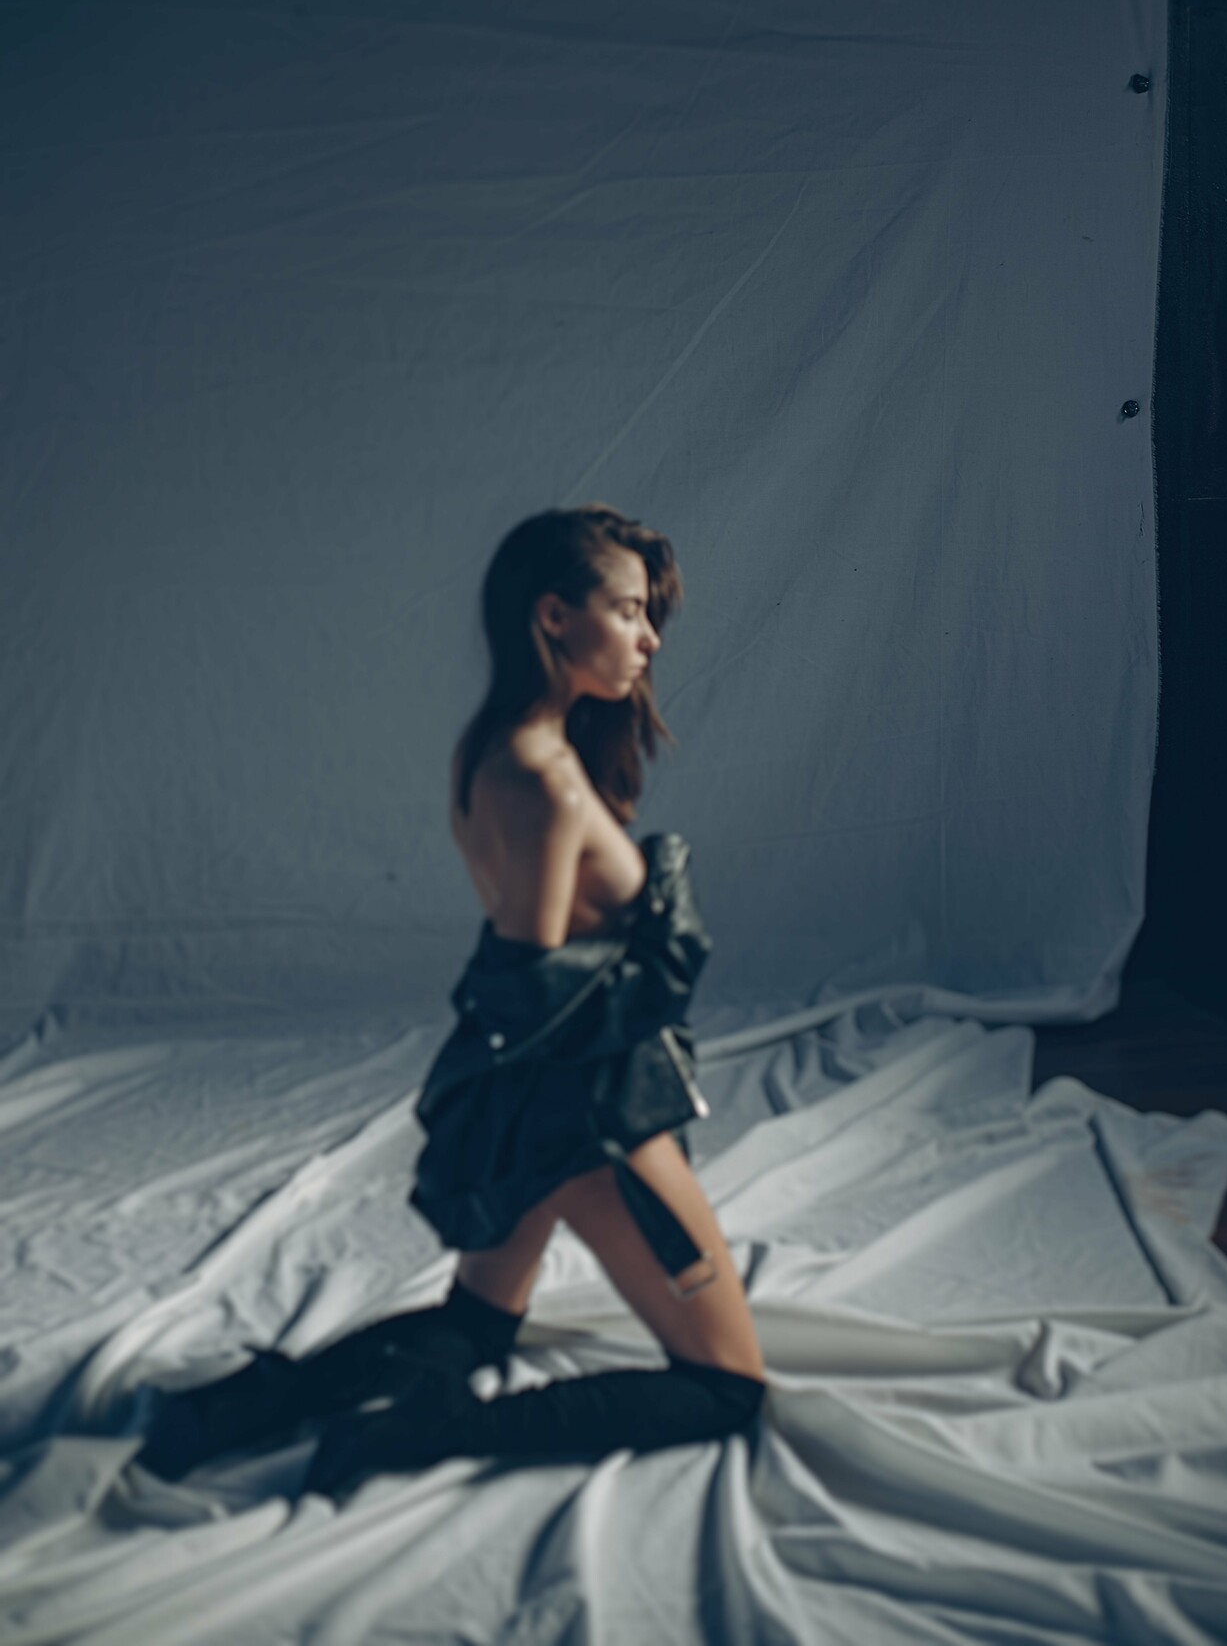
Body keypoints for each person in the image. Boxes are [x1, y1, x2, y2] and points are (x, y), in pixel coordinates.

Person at [135, 505, 765, 1498]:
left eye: (649, 615)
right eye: (628, 611)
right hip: (590, 1119)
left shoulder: (497, 747)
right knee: (728, 1389)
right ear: (553, 616)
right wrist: (658, 954)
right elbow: (531, 987)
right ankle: (422, 1435)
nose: (649, 638)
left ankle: (228, 1412)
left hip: (540, 1106)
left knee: (474, 1324)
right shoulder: (544, 780)